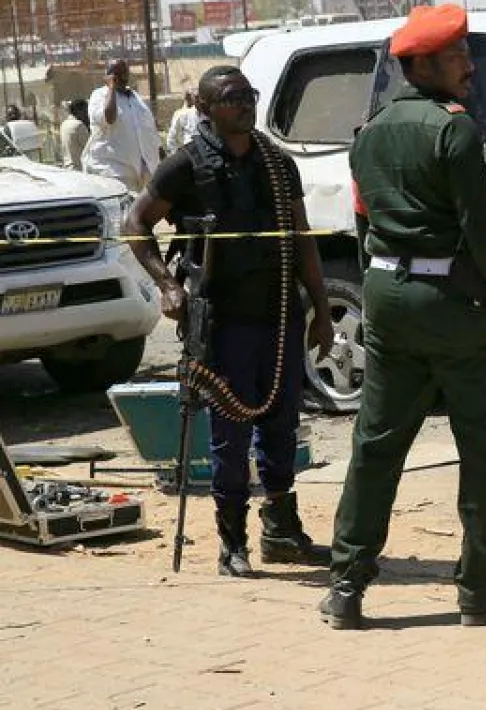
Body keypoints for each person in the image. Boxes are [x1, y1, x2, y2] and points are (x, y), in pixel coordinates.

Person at [321, 5, 486, 628]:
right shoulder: (456, 131)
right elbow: (483, 229)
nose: (469, 67)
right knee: (482, 450)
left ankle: (346, 586)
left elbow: (365, 224)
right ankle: (477, 592)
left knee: (377, 445)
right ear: (422, 65)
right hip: (456, 308)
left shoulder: (368, 134)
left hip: (387, 298)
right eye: (456, 58)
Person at [124, 66, 336, 577]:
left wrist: (323, 310)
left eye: (249, 95)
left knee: (282, 424)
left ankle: (282, 532)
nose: (245, 105)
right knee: (231, 433)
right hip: (223, 322)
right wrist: (167, 284)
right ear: (205, 108)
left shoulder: (278, 164)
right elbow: (134, 224)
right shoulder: (185, 166)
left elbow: (302, 238)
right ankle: (231, 543)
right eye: (232, 97)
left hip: (279, 314)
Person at [83, 60, 160, 192]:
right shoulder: (100, 95)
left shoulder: (135, 98)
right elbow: (109, 118)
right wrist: (111, 88)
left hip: (143, 172)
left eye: (125, 72)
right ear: (108, 76)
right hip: (113, 171)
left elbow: (149, 130)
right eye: (117, 73)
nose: (122, 77)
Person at [60, 98, 89, 170]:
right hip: (78, 168)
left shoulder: (64, 123)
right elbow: (89, 147)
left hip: (67, 166)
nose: (87, 114)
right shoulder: (79, 125)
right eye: (85, 111)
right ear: (79, 111)